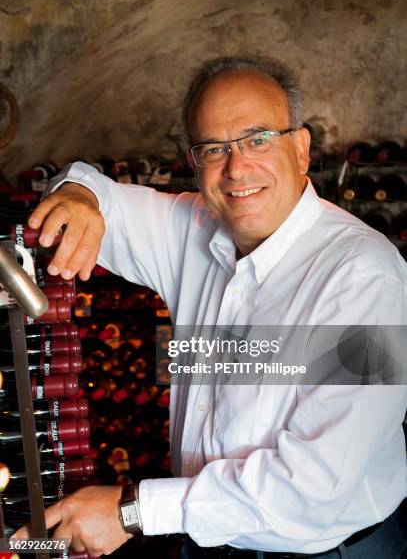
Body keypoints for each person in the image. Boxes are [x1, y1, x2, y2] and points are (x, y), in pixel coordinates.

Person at [14, 56, 407, 559]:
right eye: (214, 148)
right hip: (206, 536)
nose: (237, 167)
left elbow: (317, 488)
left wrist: (132, 511)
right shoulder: (195, 227)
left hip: (327, 550)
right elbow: (92, 188)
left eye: (258, 138)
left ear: (302, 149)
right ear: (194, 162)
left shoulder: (364, 275)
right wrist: (78, 197)